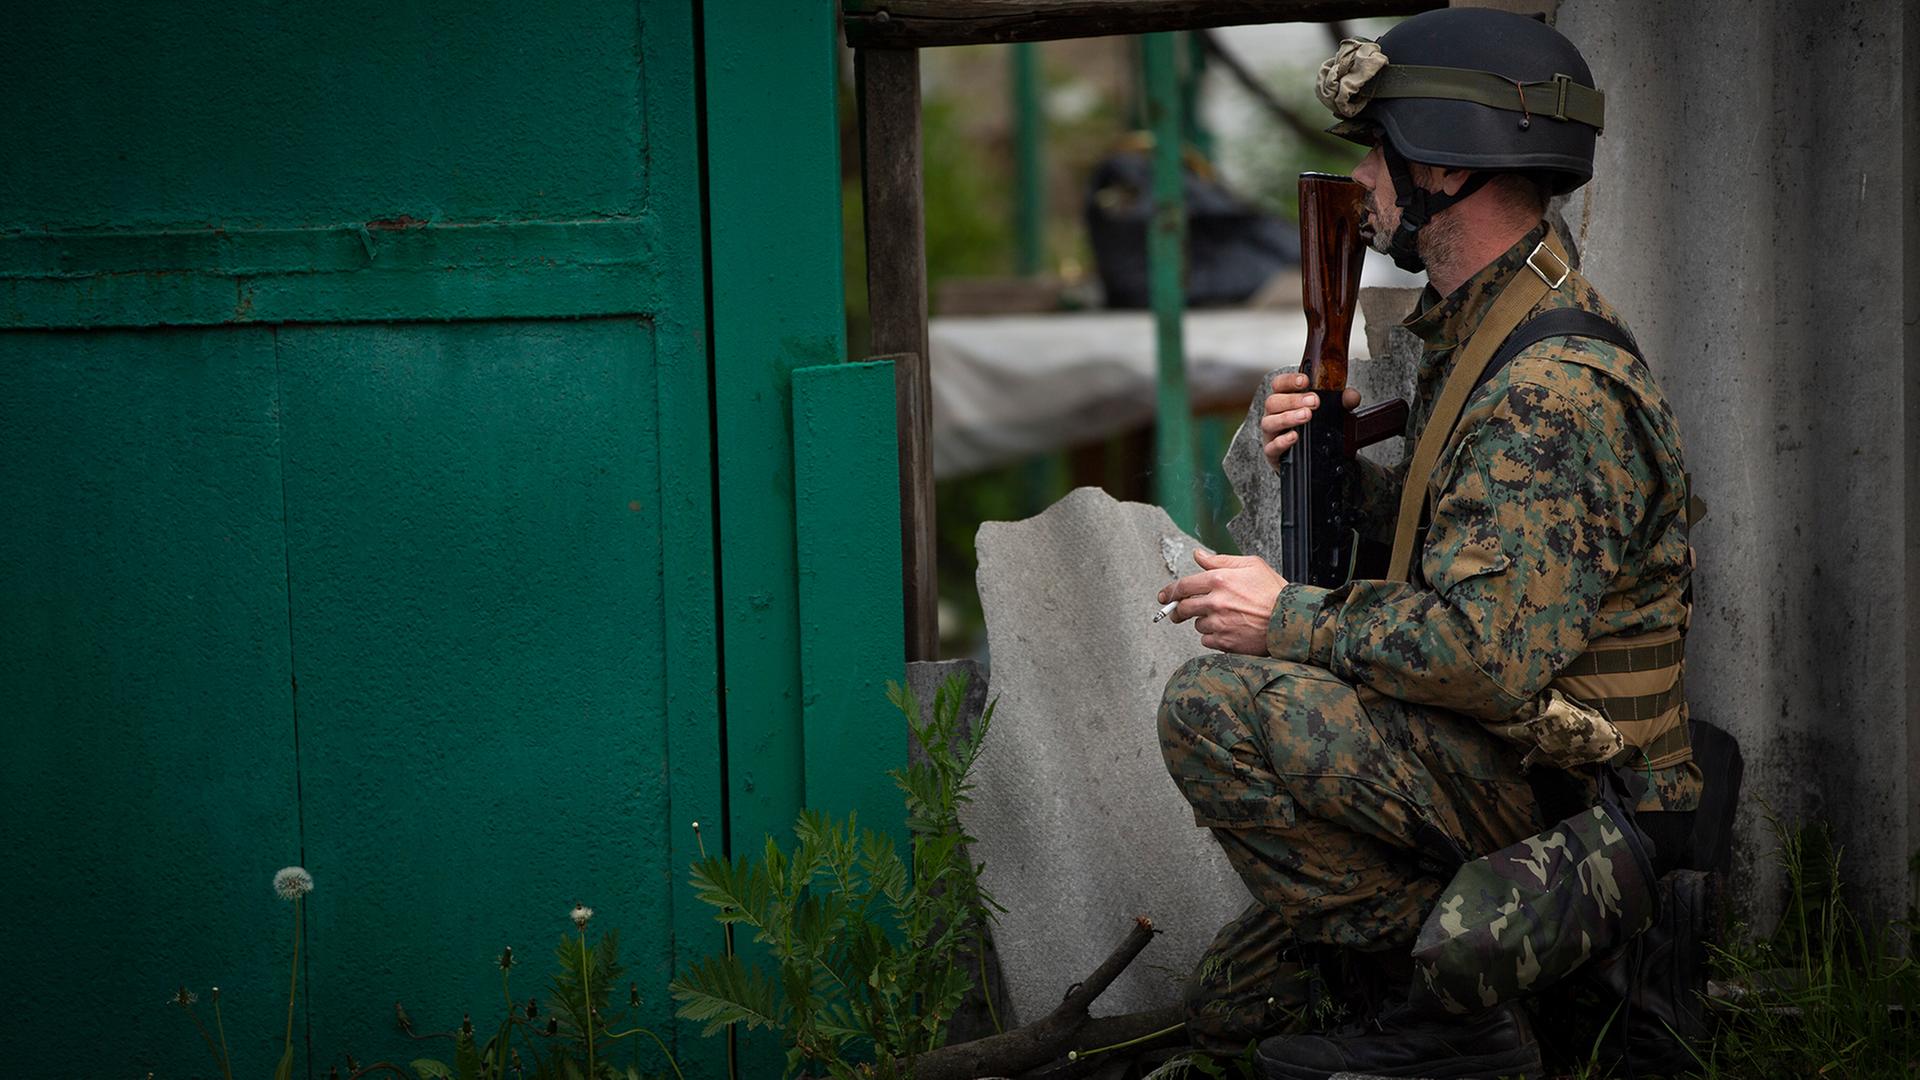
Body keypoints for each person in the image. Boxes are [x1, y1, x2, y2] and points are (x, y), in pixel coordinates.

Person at [1152, 9, 1700, 1078]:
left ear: (1445, 165)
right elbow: (1468, 539)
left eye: (1379, 148)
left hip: (1574, 793)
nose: (1365, 178)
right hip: (1502, 755)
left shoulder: (1553, 388)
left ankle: (1461, 1019)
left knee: (1213, 706)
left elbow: (1488, 652)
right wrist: (1332, 473)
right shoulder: (1490, 327)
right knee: (1232, 1006)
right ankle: (1453, 981)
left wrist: (1286, 618)